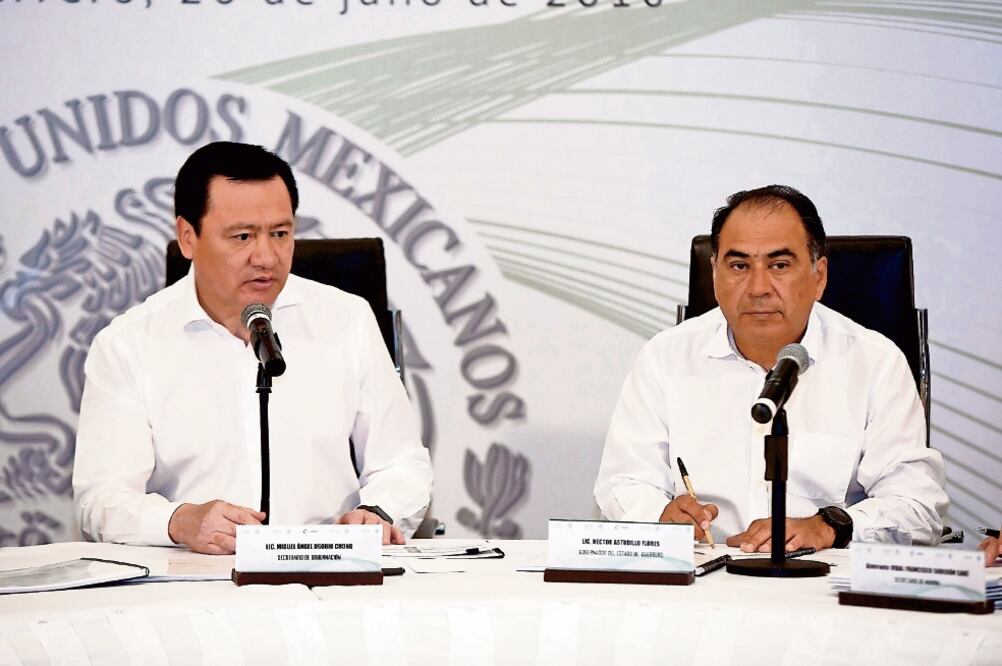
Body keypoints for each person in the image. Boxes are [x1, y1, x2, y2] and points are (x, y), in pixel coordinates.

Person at [73, 142, 432, 553]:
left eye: (280, 233)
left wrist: (378, 512)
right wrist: (178, 521)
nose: (266, 256)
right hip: (194, 582)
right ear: (188, 237)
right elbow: (100, 500)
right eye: (242, 236)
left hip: (328, 575)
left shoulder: (347, 320)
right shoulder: (128, 344)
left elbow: (402, 462)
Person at [594, 185, 948, 551]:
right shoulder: (665, 357)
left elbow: (916, 506)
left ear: (819, 275)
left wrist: (830, 527)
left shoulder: (875, 362)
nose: (758, 287)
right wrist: (660, 515)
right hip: (702, 581)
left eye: (779, 265)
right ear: (714, 273)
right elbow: (623, 484)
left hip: (823, 587)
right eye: (739, 265)